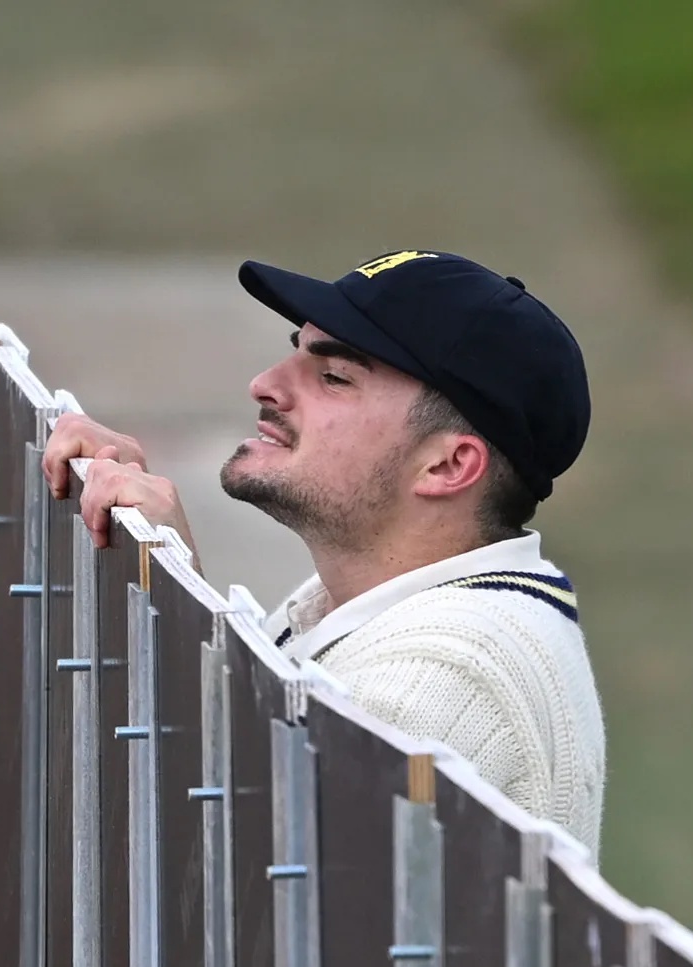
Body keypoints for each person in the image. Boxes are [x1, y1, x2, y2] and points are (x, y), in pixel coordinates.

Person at [43, 249, 607, 858]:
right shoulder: (372, 601)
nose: (265, 385)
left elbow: (236, 870)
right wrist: (158, 562)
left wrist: (170, 586)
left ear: (447, 465)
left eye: (334, 376)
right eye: (297, 351)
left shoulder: (441, 675)